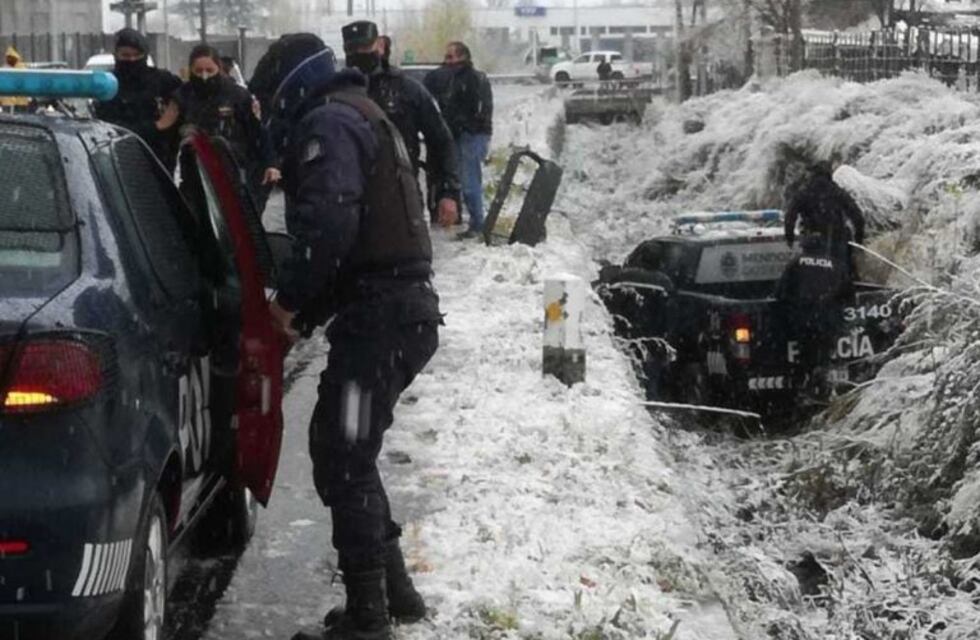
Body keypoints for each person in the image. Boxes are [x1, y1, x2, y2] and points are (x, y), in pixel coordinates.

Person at [252, 33, 441, 640]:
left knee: (342, 453)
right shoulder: (361, 113)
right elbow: (356, 241)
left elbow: (329, 229)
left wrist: (289, 301)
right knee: (348, 447)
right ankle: (395, 595)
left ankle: (368, 618)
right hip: (394, 315)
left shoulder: (329, 125)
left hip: (380, 321)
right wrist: (303, 315)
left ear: (291, 87)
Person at [341, 20, 459, 228]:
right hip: (349, 200)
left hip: (401, 197)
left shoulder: (406, 89)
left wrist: (448, 192)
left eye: (365, 47)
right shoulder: (336, 93)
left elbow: (441, 140)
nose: (360, 53)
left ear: (379, 45)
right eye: (353, 49)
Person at [176, 45, 280, 210]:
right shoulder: (182, 96)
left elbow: (258, 132)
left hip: (233, 172)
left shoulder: (237, 96)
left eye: (210, 70)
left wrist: (271, 164)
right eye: (199, 71)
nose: (204, 76)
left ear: (219, 68)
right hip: (194, 175)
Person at [424, 41, 493, 238]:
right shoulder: (456, 78)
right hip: (465, 134)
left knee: (469, 180)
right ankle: (476, 222)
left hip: (471, 135)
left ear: (462, 57)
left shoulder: (472, 79)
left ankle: (478, 225)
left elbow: (476, 110)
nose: (446, 61)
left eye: (450, 57)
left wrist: (461, 126)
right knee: (468, 179)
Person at [775, 226, 851, 396]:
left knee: (806, 356)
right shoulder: (837, 265)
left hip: (804, 319)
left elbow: (781, 292)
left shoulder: (796, 264)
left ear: (805, 247)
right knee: (823, 354)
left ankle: (806, 388)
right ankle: (823, 387)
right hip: (828, 320)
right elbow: (848, 293)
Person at [94, 28, 183, 172]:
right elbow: (110, 129)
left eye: (137, 55)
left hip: (161, 162)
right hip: (121, 164)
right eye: (125, 55)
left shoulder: (163, 81)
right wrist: (155, 126)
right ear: (116, 55)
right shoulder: (109, 85)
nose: (131, 60)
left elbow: (190, 98)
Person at [784, 161, 865, 255]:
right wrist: (859, 240)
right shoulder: (838, 192)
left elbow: (790, 216)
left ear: (812, 174)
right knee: (846, 266)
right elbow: (858, 217)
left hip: (812, 243)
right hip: (836, 243)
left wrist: (790, 239)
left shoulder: (804, 193)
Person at [0, 47, 29, 113]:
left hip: (21, 101)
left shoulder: (22, 68)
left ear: (15, 58)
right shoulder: (4, 69)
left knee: (21, 118)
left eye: (10, 57)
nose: (8, 59)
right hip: (7, 102)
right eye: (7, 57)